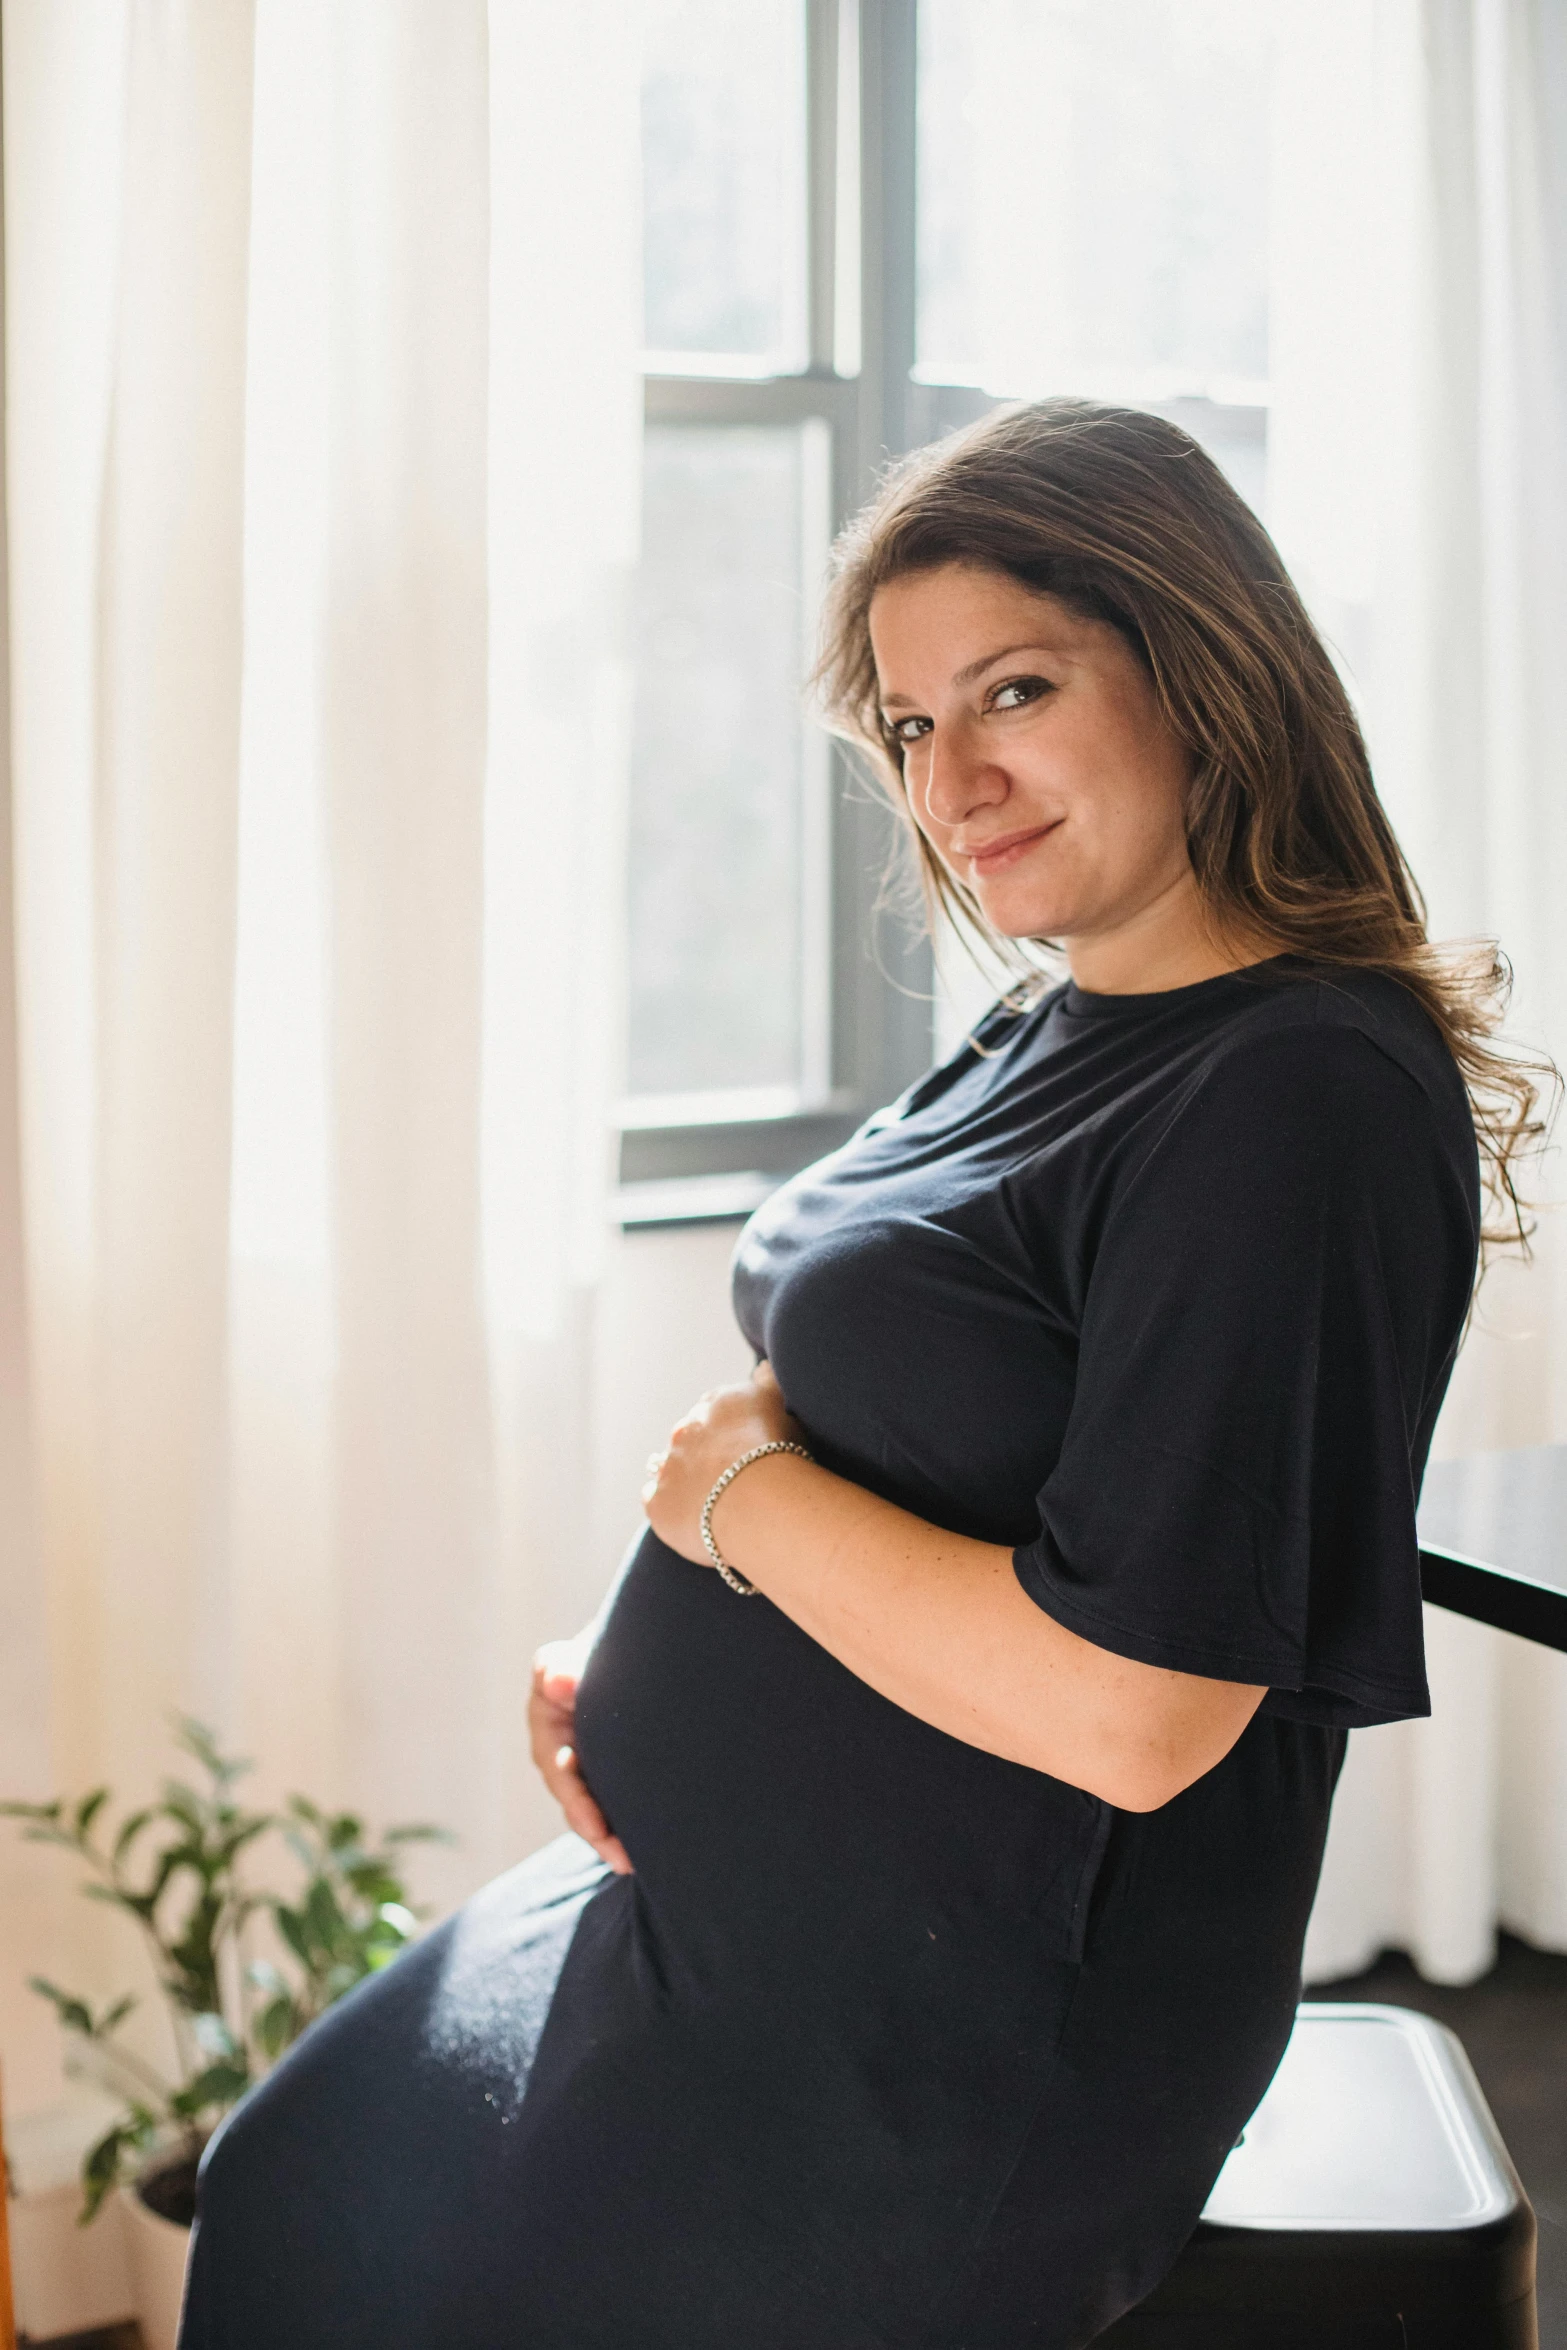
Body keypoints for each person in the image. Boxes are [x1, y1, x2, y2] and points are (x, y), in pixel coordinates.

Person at [180, 400, 1543, 2350]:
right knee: (294, 2184)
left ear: (1197, 661)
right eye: (910, 727)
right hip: (739, 1914)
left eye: (1014, 688)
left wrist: (737, 1507)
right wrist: (659, 1617)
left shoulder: (1291, 1095)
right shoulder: (1056, 1014)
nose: (954, 778)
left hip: (962, 2028)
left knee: (383, 2275)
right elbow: (926, 1415)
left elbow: (1146, 1709)